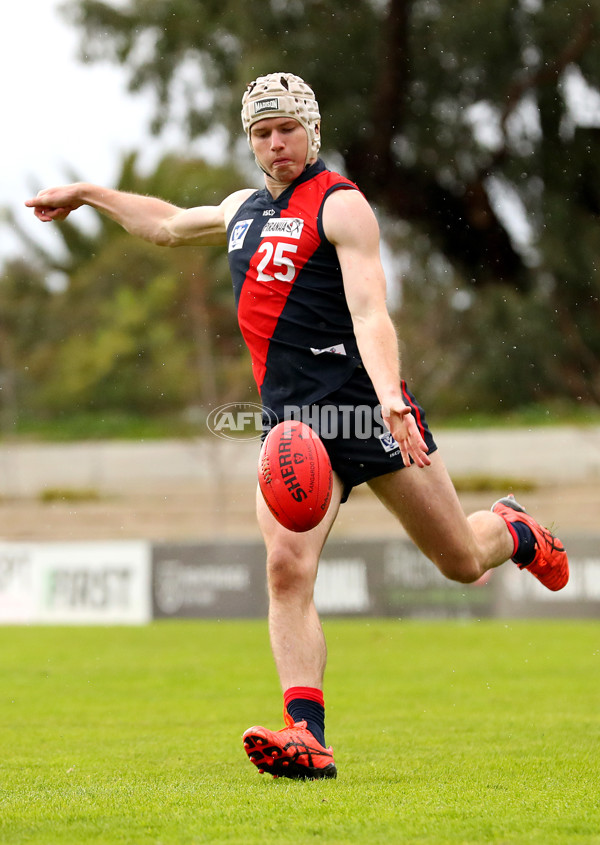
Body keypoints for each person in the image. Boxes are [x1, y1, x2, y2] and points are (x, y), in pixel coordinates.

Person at [26, 72, 569, 781]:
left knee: (461, 561)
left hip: (366, 410)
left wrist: (390, 399)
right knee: (286, 567)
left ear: (311, 130)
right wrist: (90, 193)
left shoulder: (341, 206)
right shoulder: (242, 209)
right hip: (293, 431)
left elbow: (372, 312)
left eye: (285, 129)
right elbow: (163, 224)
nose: (274, 143)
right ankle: (306, 733)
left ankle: (515, 528)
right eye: (261, 133)